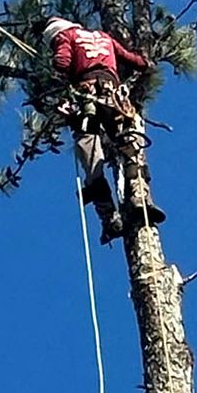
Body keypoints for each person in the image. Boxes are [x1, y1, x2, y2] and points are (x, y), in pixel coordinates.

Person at [41, 17, 168, 244]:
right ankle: (141, 198)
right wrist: (146, 64)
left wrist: (56, 68)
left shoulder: (65, 36)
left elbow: (62, 62)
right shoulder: (103, 36)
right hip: (115, 96)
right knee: (130, 144)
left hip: (87, 95)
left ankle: (110, 218)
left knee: (90, 154)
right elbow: (130, 59)